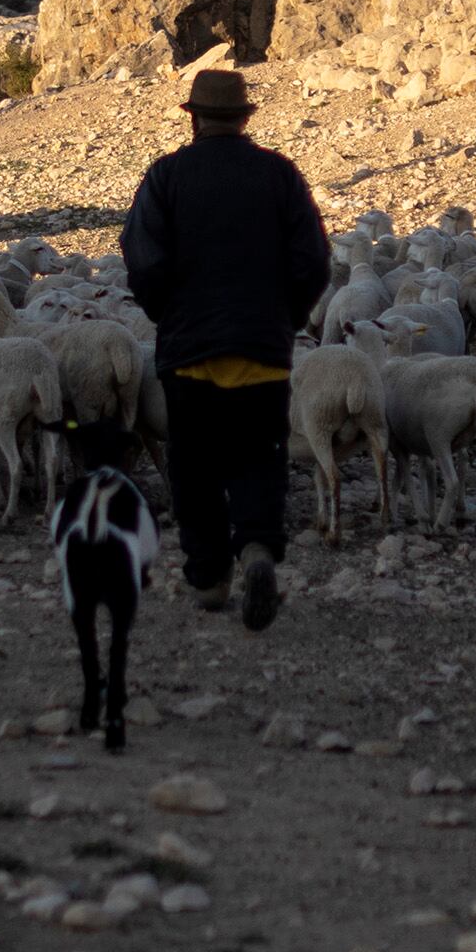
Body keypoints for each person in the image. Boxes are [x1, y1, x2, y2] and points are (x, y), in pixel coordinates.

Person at [118, 62, 329, 630]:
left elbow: (142, 257)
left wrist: (168, 314)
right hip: (262, 351)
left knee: (195, 464)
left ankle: (210, 578)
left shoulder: (166, 177)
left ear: (196, 119)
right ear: (241, 118)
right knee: (260, 456)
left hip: (190, 356)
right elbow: (311, 259)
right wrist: (284, 318)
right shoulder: (279, 175)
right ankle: (258, 548)